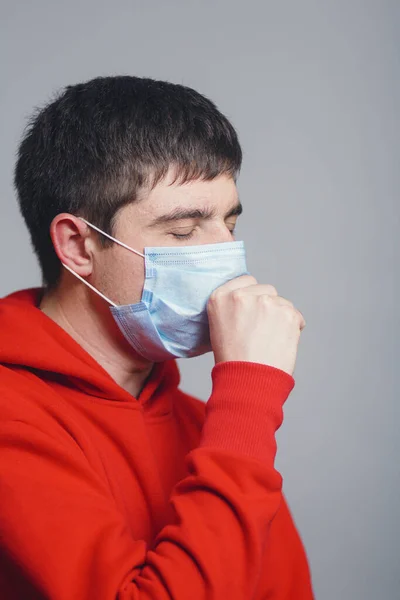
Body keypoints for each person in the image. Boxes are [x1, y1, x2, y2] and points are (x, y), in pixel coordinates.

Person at [0, 75, 314, 599]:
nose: (227, 264)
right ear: (78, 245)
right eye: (183, 232)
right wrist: (248, 395)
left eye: (228, 225)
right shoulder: (12, 418)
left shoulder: (208, 429)